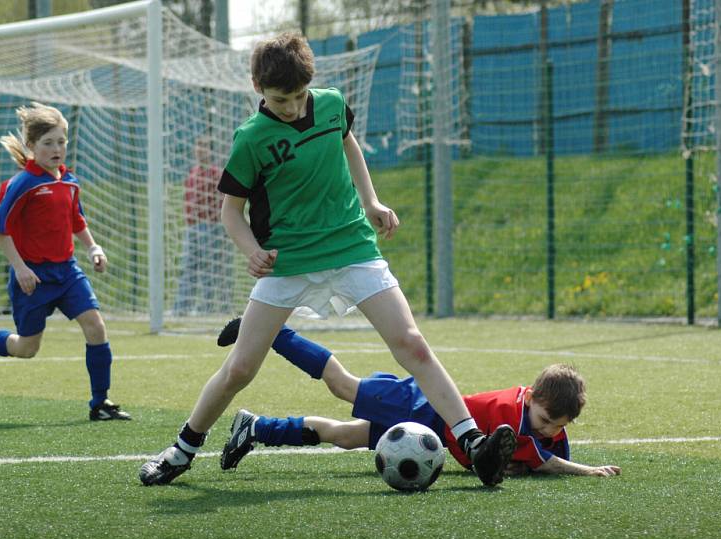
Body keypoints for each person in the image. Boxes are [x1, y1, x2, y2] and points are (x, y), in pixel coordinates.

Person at [139, 32, 513, 487]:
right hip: (289, 260)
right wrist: (252, 251)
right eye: (282, 99)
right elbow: (230, 212)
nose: (294, 108)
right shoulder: (252, 139)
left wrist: (371, 201)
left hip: (351, 246)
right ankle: (181, 450)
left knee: (411, 343)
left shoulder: (332, 104)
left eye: (299, 96)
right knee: (239, 369)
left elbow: (348, 142)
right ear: (258, 88)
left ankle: (473, 444)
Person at [217, 318, 620, 478]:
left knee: (342, 435)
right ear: (530, 396)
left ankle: (254, 427)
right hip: (418, 406)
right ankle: (269, 330)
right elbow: (543, 459)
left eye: (555, 425)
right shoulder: (510, 413)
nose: (547, 429)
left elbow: (545, 450)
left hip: (423, 430)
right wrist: (586, 471)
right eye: (545, 418)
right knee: (341, 384)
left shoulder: (537, 422)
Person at [0, 102, 130, 422]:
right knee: (26, 348)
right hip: (33, 275)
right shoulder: (21, 184)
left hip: (68, 271)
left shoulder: (70, 181)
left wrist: (93, 248)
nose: (57, 148)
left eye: (61, 141)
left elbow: (76, 220)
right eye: (48, 143)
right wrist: (20, 268)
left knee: (96, 326)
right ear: (31, 146)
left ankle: (100, 403)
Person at [173, 135, 233, 315]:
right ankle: (181, 308)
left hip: (211, 226)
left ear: (211, 151)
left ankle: (207, 307)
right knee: (188, 267)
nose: (201, 150)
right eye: (199, 146)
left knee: (209, 268)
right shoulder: (193, 173)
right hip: (193, 228)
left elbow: (223, 202)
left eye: (205, 147)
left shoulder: (217, 174)